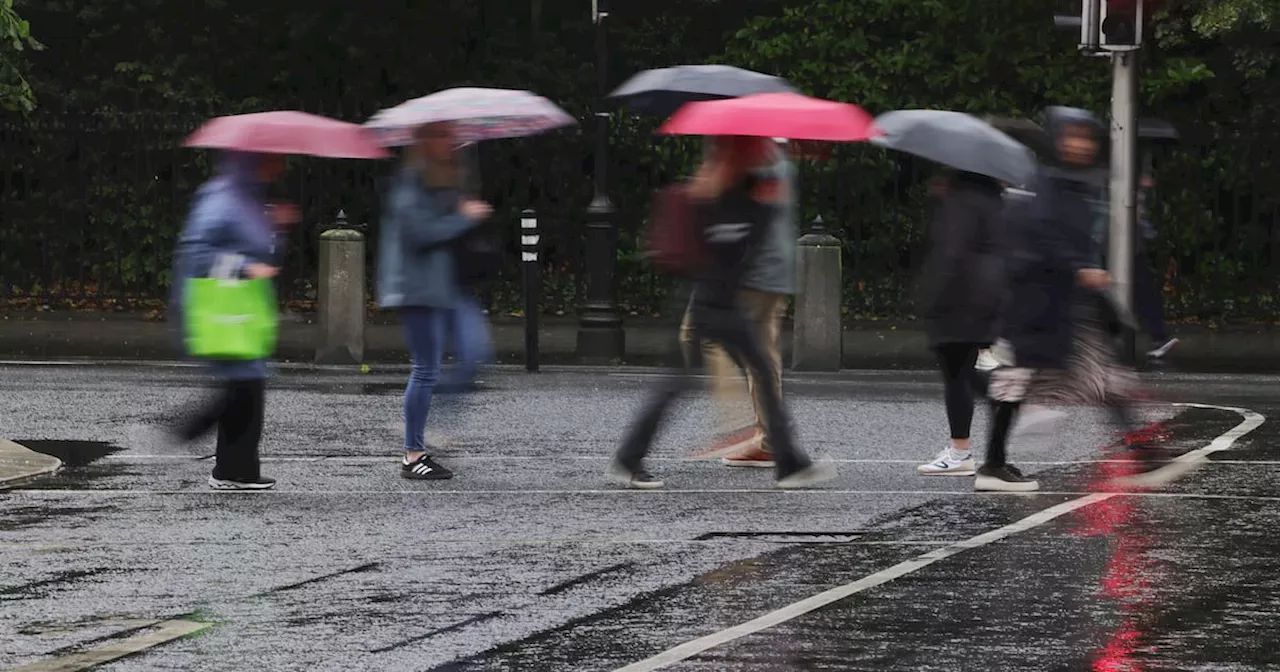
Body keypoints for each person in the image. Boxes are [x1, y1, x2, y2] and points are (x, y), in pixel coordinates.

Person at [609, 135, 834, 490]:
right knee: (683, 380)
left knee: (747, 368)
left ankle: (788, 462)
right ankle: (629, 458)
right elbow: (733, 241)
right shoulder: (725, 193)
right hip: (714, 301)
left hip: (721, 299)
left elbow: (745, 240)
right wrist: (763, 204)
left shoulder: (737, 189)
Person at [980, 107, 1144, 492]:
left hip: (1067, 303)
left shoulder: (1078, 182)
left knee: (1103, 379)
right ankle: (992, 463)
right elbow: (1042, 233)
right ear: (1055, 139)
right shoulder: (1046, 183)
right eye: (1071, 136)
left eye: (1086, 137)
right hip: (1039, 303)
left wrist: (1088, 273)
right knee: (1017, 381)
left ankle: (1145, 458)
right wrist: (1080, 267)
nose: (1079, 144)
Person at [171, 151, 295, 491]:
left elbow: (264, 254)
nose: (279, 166)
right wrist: (244, 266)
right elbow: (198, 252)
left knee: (245, 387)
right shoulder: (223, 198)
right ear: (250, 161)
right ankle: (202, 444)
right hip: (226, 309)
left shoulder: (249, 198)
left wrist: (277, 229)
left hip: (245, 311)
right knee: (242, 389)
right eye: (272, 160)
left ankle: (233, 469)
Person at [377, 121, 493, 480]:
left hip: (446, 285)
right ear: (424, 141)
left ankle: (426, 418)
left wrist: (461, 205)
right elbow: (420, 234)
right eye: (441, 135)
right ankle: (413, 454)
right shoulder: (410, 181)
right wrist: (462, 217)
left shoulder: (444, 178)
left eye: (451, 136)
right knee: (425, 369)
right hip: (416, 287)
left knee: (476, 352)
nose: (450, 141)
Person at [682, 137, 796, 467]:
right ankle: (769, 439)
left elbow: (733, 212)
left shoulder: (753, 158)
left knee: (700, 334)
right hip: (770, 273)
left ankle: (741, 425)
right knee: (761, 356)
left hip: (749, 275)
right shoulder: (775, 158)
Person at [916, 170, 1008, 477]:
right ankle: (1006, 403)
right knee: (964, 373)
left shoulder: (962, 203)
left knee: (957, 375)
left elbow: (952, 255)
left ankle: (960, 451)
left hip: (959, 300)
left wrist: (933, 299)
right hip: (981, 299)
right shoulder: (992, 201)